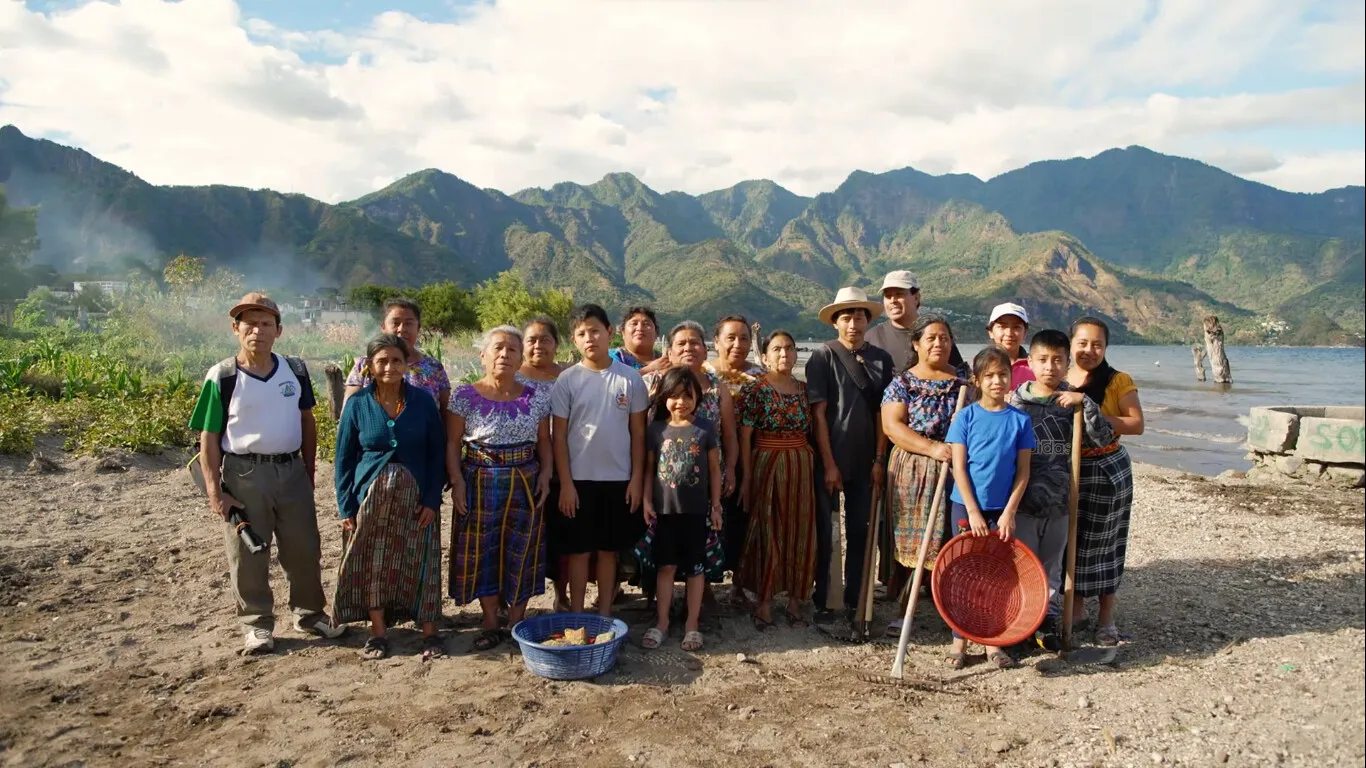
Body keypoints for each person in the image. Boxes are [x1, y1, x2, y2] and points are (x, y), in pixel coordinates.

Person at [189, 292, 345, 654]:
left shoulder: (295, 370)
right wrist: (215, 491)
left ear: (279, 330)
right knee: (248, 554)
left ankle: (310, 615)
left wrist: (307, 471)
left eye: (265, 323)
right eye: (249, 323)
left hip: (291, 470)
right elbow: (208, 438)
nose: (257, 330)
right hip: (245, 474)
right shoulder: (223, 376)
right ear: (235, 329)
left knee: (304, 548)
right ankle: (257, 625)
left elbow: (307, 420)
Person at [333, 334, 447, 660]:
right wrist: (347, 506)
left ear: (406, 363)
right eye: (382, 361)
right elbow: (344, 460)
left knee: (422, 560)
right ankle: (378, 632)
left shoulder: (422, 402)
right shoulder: (358, 405)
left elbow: (436, 454)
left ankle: (430, 632)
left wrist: (431, 500)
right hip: (370, 498)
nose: (389, 367)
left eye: (396, 360)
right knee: (373, 561)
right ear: (369, 366)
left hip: (416, 501)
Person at [447, 326, 553, 650]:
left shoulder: (536, 397)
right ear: (483, 355)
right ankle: (491, 621)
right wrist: (457, 483)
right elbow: (452, 445)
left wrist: (547, 475)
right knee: (484, 551)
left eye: (512, 350)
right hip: (479, 481)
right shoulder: (463, 395)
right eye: (498, 348)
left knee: (522, 550)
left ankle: (517, 621)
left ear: (521, 358)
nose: (505, 355)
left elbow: (545, 443)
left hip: (525, 482)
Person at [1009, 329, 1114, 651]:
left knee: (1053, 567)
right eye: (1043, 360)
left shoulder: (1073, 402)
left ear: (1068, 363)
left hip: (1061, 502)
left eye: (1058, 361)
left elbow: (1104, 438)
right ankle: (1022, 621)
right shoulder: (1016, 402)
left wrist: (1087, 404)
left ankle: (1048, 621)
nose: (1050, 367)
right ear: (1031, 362)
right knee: (1023, 565)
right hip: (1024, 501)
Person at [552, 304, 650, 616]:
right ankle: (579, 612)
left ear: (609, 333)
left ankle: (605, 612)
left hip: (619, 480)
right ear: (574, 340)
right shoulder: (567, 380)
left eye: (595, 330)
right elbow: (559, 437)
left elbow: (638, 434)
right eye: (581, 333)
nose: (589, 337)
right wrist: (565, 484)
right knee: (579, 553)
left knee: (608, 553)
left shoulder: (630, 379)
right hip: (578, 482)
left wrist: (635, 479)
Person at [806, 287, 894, 623]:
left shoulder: (881, 360)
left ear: (868, 320)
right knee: (827, 532)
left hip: (866, 459)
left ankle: (858, 596)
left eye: (859, 315)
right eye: (846, 315)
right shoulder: (822, 357)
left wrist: (879, 459)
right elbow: (818, 413)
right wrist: (828, 463)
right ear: (835, 322)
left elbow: (883, 414)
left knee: (861, 529)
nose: (853, 321)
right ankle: (826, 598)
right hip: (829, 458)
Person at [944, 347, 1036, 669]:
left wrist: (1010, 511)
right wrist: (972, 511)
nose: (998, 381)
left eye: (1003, 374)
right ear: (977, 380)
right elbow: (959, 468)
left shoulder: (1020, 421)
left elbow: (1023, 472)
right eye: (990, 376)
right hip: (965, 507)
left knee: (998, 574)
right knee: (964, 571)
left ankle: (991, 641)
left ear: (1012, 378)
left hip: (1003, 511)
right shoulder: (965, 418)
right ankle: (959, 640)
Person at [879, 315, 969, 635]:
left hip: (956, 468)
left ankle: (952, 611)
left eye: (944, 338)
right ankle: (907, 611)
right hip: (914, 468)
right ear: (916, 344)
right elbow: (892, 427)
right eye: (930, 338)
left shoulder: (964, 384)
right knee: (914, 541)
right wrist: (931, 449)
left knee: (953, 539)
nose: (937, 343)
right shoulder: (902, 383)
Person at [641, 321, 737, 606]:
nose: (688, 348)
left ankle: (702, 590)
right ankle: (657, 598)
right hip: (664, 483)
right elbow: (644, 433)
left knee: (705, 536)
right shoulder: (657, 387)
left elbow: (729, 434)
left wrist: (730, 468)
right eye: (681, 343)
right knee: (662, 539)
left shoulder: (718, 389)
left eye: (695, 342)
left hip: (706, 478)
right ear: (668, 351)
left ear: (705, 350)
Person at [1065, 317, 1144, 647]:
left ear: (1106, 348)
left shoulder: (1117, 381)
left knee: (1107, 544)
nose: (1089, 350)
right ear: (1070, 345)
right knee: (1074, 542)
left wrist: (1089, 409)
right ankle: (1076, 610)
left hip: (1108, 469)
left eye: (1097, 344)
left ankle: (1106, 619)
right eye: (1082, 343)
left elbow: (1136, 424)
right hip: (1069, 469)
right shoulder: (1060, 377)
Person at [639, 367, 723, 652]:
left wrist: (716, 506)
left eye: (688, 396)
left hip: (697, 513)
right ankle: (662, 621)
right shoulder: (656, 429)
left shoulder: (705, 429)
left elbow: (714, 470)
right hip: (664, 513)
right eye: (674, 396)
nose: (681, 402)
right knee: (665, 567)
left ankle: (692, 624)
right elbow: (650, 470)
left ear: (697, 398)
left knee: (695, 570)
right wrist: (647, 502)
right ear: (664, 398)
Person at [737, 330, 816, 629]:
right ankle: (765, 601)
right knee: (767, 529)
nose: (784, 354)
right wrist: (746, 478)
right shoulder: (754, 390)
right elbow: (745, 437)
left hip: (801, 465)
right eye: (777, 349)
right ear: (766, 356)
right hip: (766, 462)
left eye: (789, 349)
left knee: (800, 530)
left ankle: (796, 598)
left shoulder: (805, 390)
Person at [517, 316, 570, 612]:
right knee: (520, 533)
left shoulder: (568, 377)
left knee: (560, 536)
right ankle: (508, 599)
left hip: (565, 468)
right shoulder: (513, 376)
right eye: (532, 340)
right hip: (523, 467)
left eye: (545, 339)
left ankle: (560, 594)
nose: (538, 345)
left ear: (556, 344)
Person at [705, 315, 759, 602]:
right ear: (716, 342)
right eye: (731, 337)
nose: (738, 344)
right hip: (707, 461)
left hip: (751, 459)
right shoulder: (702, 374)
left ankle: (739, 582)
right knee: (711, 522)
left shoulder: (760, 377)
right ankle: (706, 586)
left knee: (743, 520)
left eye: (744, 338)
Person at [344, 298, 452, 410]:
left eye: (409, 323)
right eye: (395, 323)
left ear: (418, 328)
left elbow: (447, 414)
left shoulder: (434, 367)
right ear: (383, 327)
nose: (402, 329)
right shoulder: (364, 366)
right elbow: (348, 412)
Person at [866, 271, 965, 374]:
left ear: (916, 298)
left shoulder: (937, 336)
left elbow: (960, 377)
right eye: (888, 296)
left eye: (899, 294)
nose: (892, 300)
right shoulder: (872, 338)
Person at [986, 303, 1035, 388]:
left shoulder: (1035, 366)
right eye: (1002, 326)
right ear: (990, 332)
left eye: (1016, 327)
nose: (1009, 334)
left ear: (1025, 333)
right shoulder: (982, 364)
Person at [609, 306, 670, 374]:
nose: (640, 328)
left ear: (656, 333)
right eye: (634, 324)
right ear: (623, 332)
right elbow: (614, 383)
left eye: (646, 324)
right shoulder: (610, 358)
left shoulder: (667, 360)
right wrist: (649, 369)